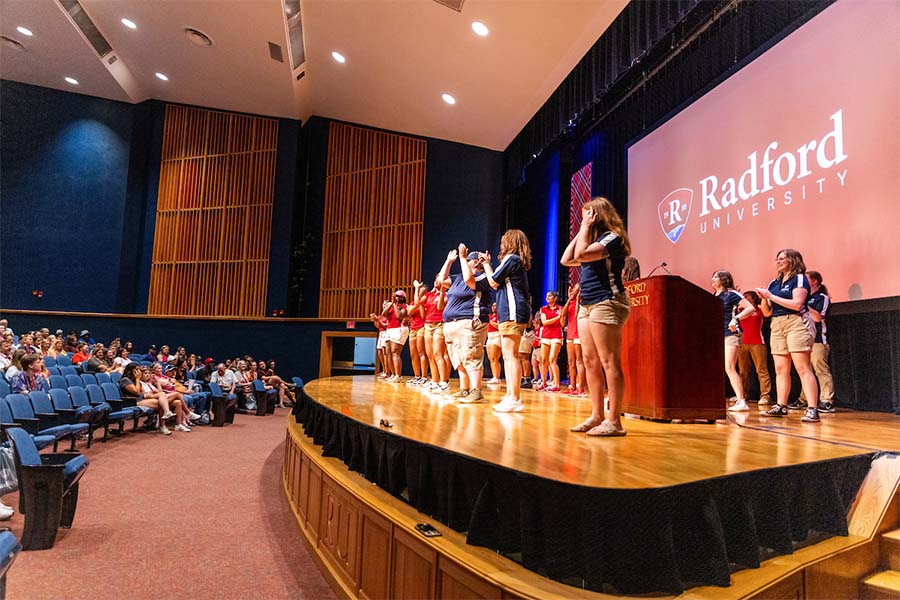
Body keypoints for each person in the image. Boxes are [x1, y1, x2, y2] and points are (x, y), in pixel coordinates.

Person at [561, 197, 631, 437]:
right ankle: (597, 415)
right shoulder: (590, 237)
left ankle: (615, 421)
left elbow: (580, 254)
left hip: (607, 301)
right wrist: (584, 230)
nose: (584, 218)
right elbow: (566, 259)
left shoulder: (612, 238)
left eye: (588, 215)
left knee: (608, 360)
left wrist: (584, 228)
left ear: (598, 216)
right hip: (587, 304)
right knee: (590, 361)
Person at [755, 249, 821, 423]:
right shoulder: (773, 283)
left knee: (802, 368)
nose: (778, 262)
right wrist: (764, 298)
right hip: (776, 324)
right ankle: (781, 405)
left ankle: (813, 408)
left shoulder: (799, 278)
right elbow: (767, 312)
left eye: (782, 258)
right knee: (780, 369)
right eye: (777, 259)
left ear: (793, 260)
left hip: (796, 322)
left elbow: (797, 304)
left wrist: (771, 296)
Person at [481, 229, 533, 412]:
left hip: (513, 310)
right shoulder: (512, 261)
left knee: (511, 355)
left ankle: (515, 398)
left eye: (504, 241)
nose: (501, 245)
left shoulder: (512, 259)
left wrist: (487, 264)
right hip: (508, 311)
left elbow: (493, 281)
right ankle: (511, 394)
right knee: (507, 355)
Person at [440, 245, 492, 403]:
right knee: (459, 359)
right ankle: (465, 389)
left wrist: (462, 258)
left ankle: (476, 390)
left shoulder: (482, 278)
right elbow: (441, 280)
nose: (465, 261)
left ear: (476, 263)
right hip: (452, 324)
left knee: (471, 356)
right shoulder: (457, 278)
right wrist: (449, 261)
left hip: (470, 322)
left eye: (469, 260)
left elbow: (470, 280)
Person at [711, 270, 756, 412]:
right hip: (717, 336)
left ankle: (742, 401)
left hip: (730, 334)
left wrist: (735, 318)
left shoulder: (732, 294)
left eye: (716, 277)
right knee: (720, 369)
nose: (712, 279)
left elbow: (750, 308)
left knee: (730, 367)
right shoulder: (713, 296)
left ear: (724, 280)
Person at [798, 271, 835, 413]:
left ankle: (826, 400)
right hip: (804, 339)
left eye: (807, 279)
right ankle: (804, 399)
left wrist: (806, 305)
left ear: (815, 281)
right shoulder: (805, 297)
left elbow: (819, 318)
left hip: (819, 339)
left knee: (821, 370)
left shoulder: (822, 297)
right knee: (805, 370)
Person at [737, 291, 772, 406]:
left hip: (757, 342)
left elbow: (768, 311)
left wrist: (763, 298)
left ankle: (765, 396)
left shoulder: (759, 309)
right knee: (743, 371)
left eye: (747, 296)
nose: (745, 298)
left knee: (761, 370)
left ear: (753, 298)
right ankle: (742, 395)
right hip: (742, 343)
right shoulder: (741, 310)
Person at [423, 277, 451, 393]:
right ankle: (434, 381)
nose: (436, 281)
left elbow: (440, 307)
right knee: (430, 356)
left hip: (440, 324)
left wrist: (441, 292)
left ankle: (444, 382)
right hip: (428, 325)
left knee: (438, 354)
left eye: (439, 279)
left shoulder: (447, 295)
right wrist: (417, 289)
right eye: (436, 279)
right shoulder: (429, 295)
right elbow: (420, 303)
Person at [562, 282, 586, 397]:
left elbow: (576, 315)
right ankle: (572, 386)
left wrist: (577, 299)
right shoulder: (570, 301)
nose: (573, 290)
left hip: (579, 334)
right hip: (570, 334)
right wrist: (569, 299)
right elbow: (563, 314)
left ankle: (581, 389)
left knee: (579, 361)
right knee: (571, 362)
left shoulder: (582, 301)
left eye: (575, 288)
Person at [380, 291, 409, 383]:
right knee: (388, 353)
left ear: (402, 297)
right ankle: (392, 374)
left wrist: (395, 305)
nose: (396, 297)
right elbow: (383, 314)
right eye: (395, 296)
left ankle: (398, 375)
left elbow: (399, 316)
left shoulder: (404, 306)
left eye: (398, 296)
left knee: (395, 352)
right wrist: (391, 304)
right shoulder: (391, 305)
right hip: (389, 329)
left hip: (399, 329)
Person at [538, 292, 564, 392]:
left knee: (552, 359)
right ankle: (544, 383)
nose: (547, 298)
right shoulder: (543, 309)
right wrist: (558, 317)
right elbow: (544, 322)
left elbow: (562, 324)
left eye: (550, 296)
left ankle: (556, 384)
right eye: (547, 296)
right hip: (546, 335)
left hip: (556, 335)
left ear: (555, 298)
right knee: (544, 360)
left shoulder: (560, 309)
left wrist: (561, 317)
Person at [405, 282, 429, 386]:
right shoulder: (412, 303)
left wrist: (420, 304)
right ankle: (417, 376)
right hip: (413, 329)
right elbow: (409, 313)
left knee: (421, 353)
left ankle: (424, 377)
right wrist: (417, 304)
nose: (420, 294)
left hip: (422, 327)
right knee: (413, 354)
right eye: (419, 292)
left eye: (423, 292)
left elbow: (423, 317)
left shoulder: (427, 303)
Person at [485, 303, 502, 385]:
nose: (493, 307)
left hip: (496, 335)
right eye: (492, 306)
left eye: (495, 305)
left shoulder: (500, 315)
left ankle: (497, 377)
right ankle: (494, 376)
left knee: (494, 358)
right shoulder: (491, 316)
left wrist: (489, 321)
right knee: (490, 358)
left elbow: (498, 326)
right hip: (489, 336)